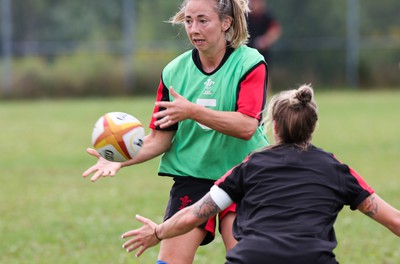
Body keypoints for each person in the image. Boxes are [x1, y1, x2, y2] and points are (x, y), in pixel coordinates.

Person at [121, 84, 400, 263]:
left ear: (274, 127)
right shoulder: (337, 170)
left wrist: (157, 232)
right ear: (312, 127)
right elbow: (395, 221)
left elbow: (195, 214)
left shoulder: (248, 167)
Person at [83, 0, 269, 263]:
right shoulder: (174, 72)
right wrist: (120, 158)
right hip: (193, 176)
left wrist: (193, 111)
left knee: (245, 258)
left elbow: (247, 126)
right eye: (189, 20)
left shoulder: (249, 62)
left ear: (226, 23)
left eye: (203, 20)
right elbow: (160, 138)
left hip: (242, 175)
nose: (194, 29)